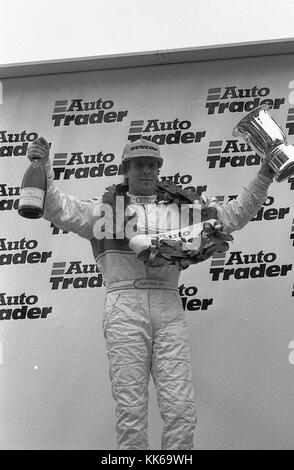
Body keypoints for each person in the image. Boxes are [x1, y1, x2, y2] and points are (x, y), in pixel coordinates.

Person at [27, 137, 274, 450]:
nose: (146, 171)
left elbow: (231, 216)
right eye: (139, 165)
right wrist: (43, 164)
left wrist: (264, 176)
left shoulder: (182, 208)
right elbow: (56, 207)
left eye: (152, 165)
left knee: (181, 408)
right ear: (125, 170)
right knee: (130, 410)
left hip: (168, 304)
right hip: (124, 305)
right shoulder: (103, 211)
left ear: (159, 170)